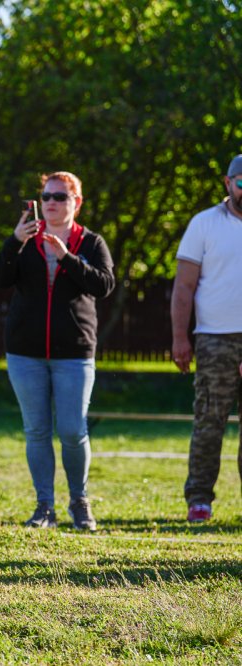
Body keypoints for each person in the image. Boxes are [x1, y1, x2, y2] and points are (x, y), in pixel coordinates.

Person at [0, 171, 115, 531]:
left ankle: (79, 502)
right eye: (46, 196)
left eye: (60, 197)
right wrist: (14, 241)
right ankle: (44, 506)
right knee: (37, 431)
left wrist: (66, 258)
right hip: (25, 353)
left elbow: (104, 285)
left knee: (73, 430)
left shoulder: (90, 242)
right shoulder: (25, 238)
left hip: (74, 353)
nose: (51, 203)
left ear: (77, 202)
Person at [171, 153, 242, 523]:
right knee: (209, 422)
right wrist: (179, 337)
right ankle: (199, 499)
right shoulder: (204, 223)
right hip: (215, 340)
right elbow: (184, 287)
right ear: (228, 183)